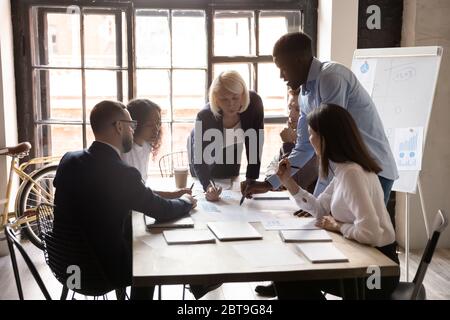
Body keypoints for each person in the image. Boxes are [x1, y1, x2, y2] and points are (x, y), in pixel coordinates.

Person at [241, 32, 398, 227]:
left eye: (283, 69)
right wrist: (270, 183)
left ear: (298, 61)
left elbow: (332, 142)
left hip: (373, 169)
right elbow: (305, 146)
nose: (281, 76)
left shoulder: (331, 77)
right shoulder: (306, 92)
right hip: (349, 171)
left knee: (374, 240)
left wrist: (316, 203)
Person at [53, 100, 197, 300]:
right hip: (99, 272)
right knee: (151, 255)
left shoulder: (69, 159)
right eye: (131, 125)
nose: (132, 130)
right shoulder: (122, 173)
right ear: (119, 127)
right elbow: (161, 210)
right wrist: (187, 200)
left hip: (64, 264)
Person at [273, 104, 399, 299]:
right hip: (365, 262)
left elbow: (371, 234)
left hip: (377, 274)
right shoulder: (344, 170)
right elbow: (320, 209)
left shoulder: (351, 173)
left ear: (325, 138)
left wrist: (338, 226)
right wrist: (288, 182)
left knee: (289, 277)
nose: (309, 139)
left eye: (311, 134)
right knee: (290, 275)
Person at [254, 89, 318, 298]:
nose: (292, 113)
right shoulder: (295, 136)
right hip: (295, 201)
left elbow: (299, 177)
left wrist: (291, 145)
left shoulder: (313, 143)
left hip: (308, 206)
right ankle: (280, 280)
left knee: (283, 233)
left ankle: (287, 280)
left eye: (298, 109)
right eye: (290, 107)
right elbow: (273, 169)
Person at [189, 70, 264, 202]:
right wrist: (208, 187)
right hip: (205, 153)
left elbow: (255, 144)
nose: (231, 104)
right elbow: (199, 160)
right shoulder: (204, 116)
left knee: (231, 177)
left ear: (243, 94)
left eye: (235, 97)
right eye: (224, 99)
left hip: (233, 147)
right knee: (210, 189)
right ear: (216, 99)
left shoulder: (254, 104)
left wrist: (251, 179)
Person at [122, 98, 191, 198]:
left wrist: (174, 195)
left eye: (158, 123)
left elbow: (141, 189)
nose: (156, 129)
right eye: (149, 124)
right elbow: (135, 194)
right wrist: (172, 195)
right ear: (135, 125)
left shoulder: (146, 145)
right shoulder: (125, 152)